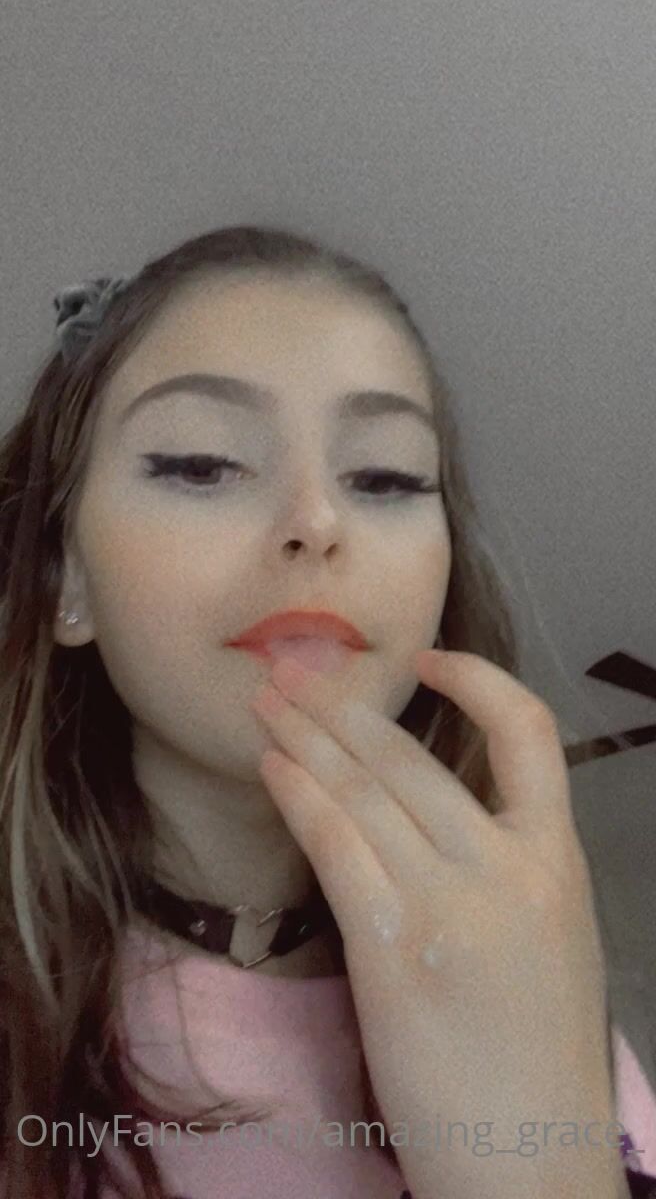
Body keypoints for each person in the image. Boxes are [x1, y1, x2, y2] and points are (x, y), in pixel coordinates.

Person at [0, 223, 653, 1199]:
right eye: (201, 463)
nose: (316, 520)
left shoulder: (527, 978)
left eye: (386, 477)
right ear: (67, 581)